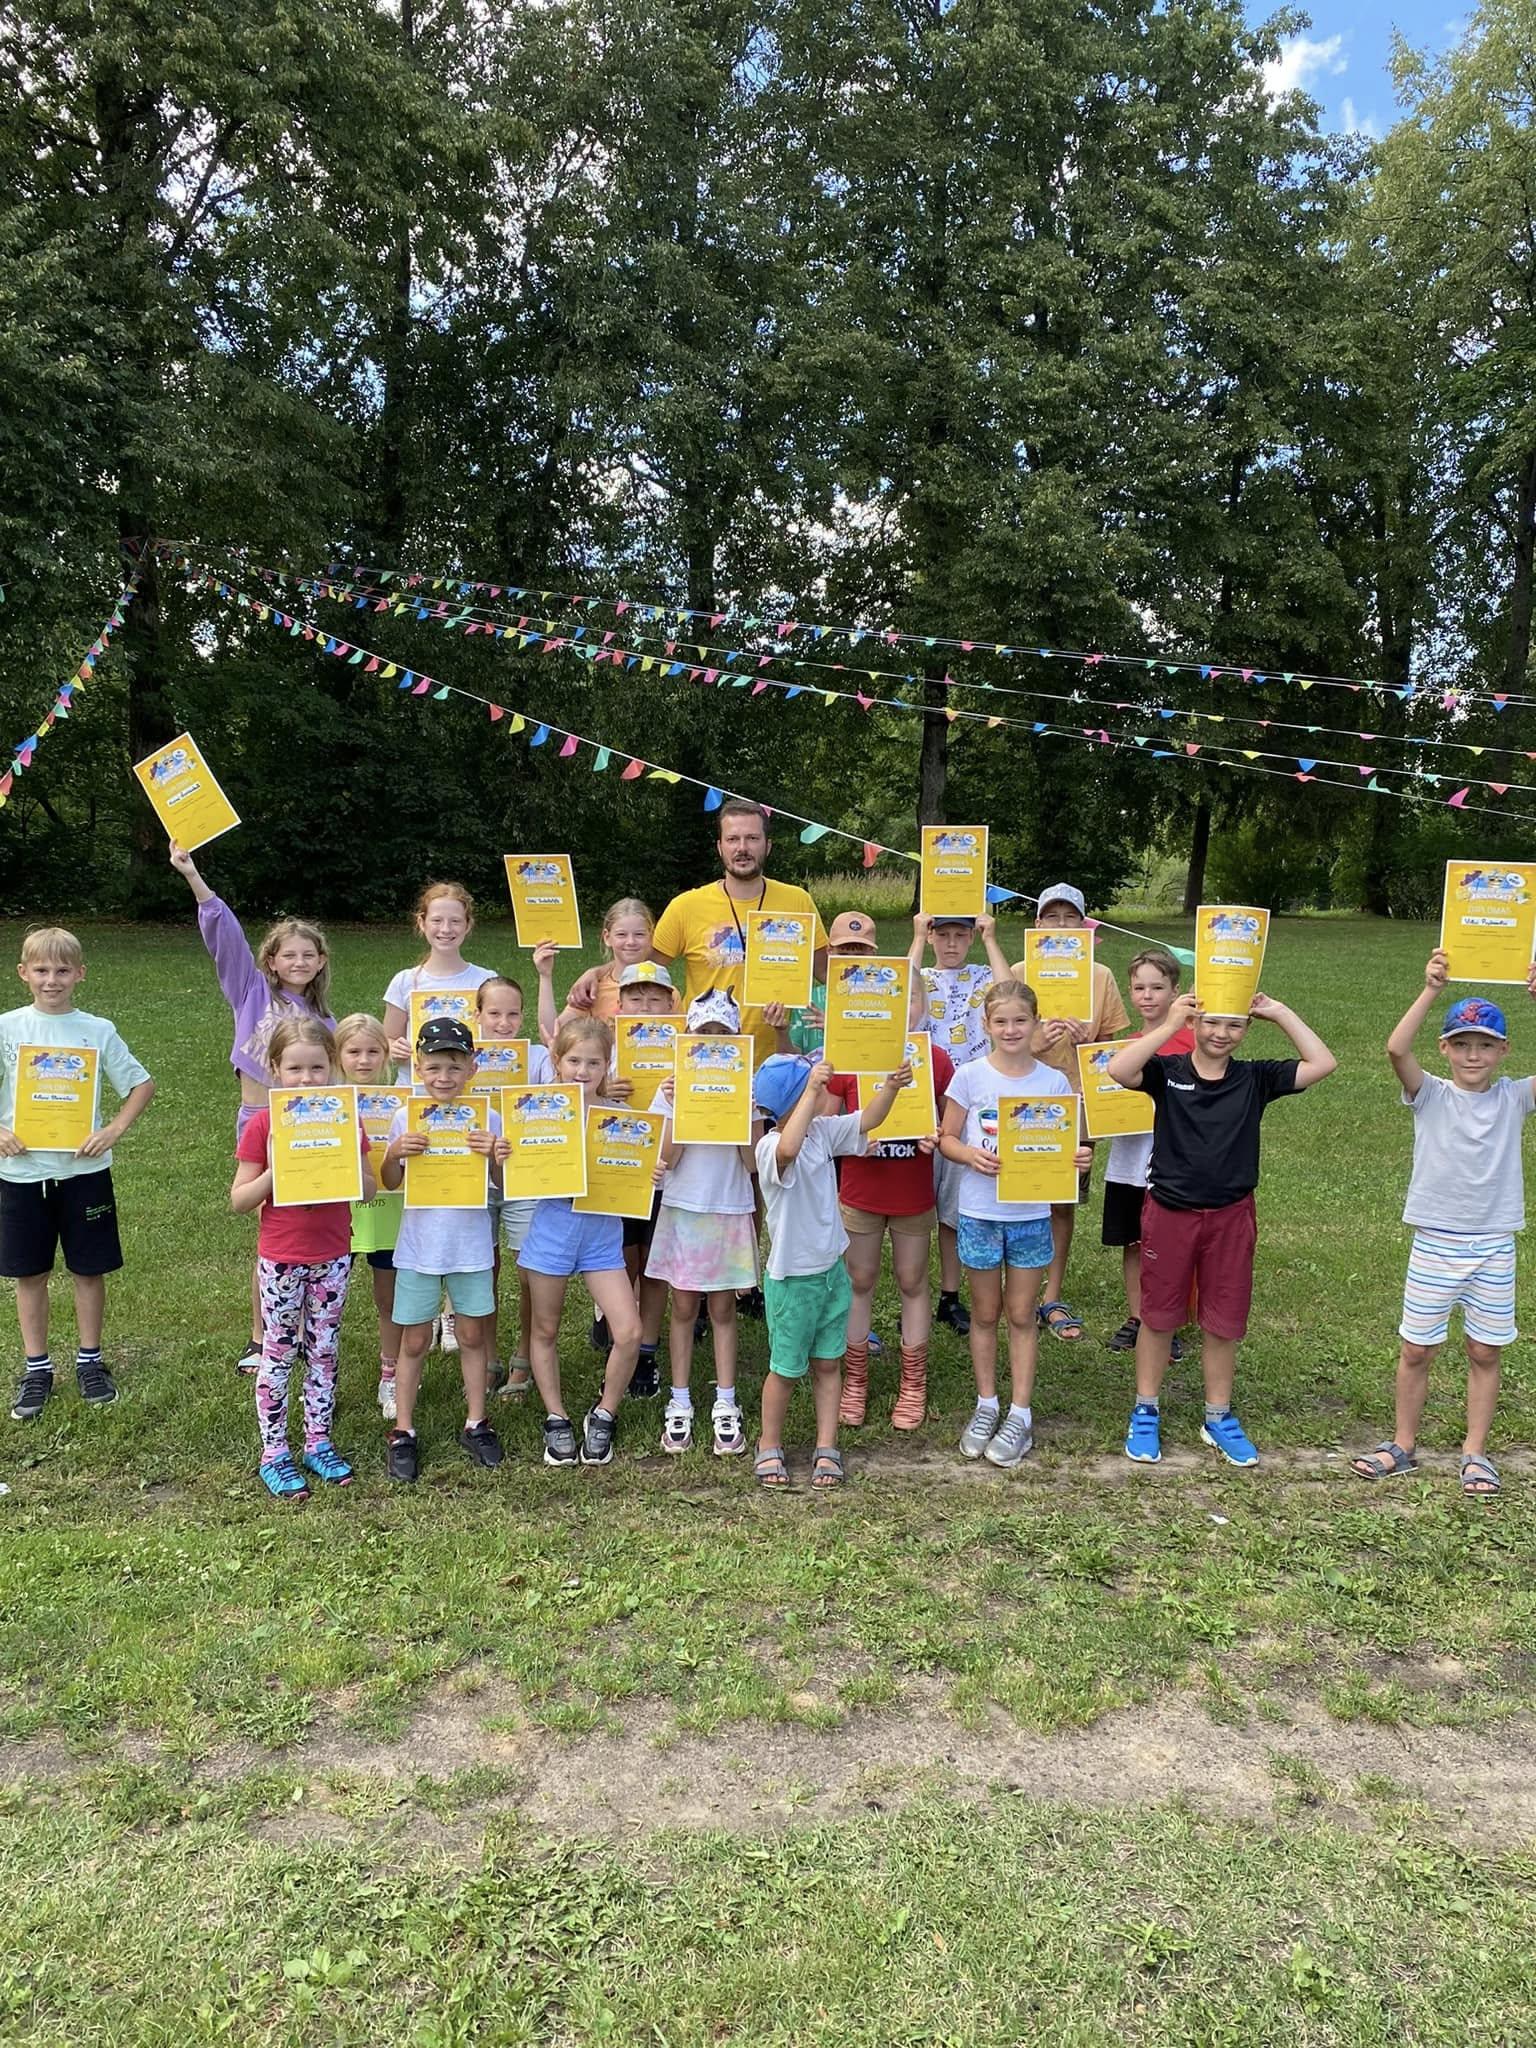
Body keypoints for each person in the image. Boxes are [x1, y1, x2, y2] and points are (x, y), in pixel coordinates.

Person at [1107, 987, 1336, 1466]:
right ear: (1195, 1023)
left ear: (1247, 1030)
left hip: (1231, 1215)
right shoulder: (1168, 1072)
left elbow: (1322, 1063)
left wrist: (1279, 1011)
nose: (1221, 1033)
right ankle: (1145, 1409)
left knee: (1223, 1320)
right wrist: (1170, 1024)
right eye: (1211, 1022)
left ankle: (1218, 1416)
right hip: (1170, 1212)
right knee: (1158, 1316)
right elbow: (1119, 1070)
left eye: (1234, 1025)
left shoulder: (1255, 1078)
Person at [1351, 955, 1536, 1498]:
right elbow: (1395, 1049)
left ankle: (1475, 1452)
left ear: (1503, 1050)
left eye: (1484, 1045)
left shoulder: (1514, 1097)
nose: (1473, 1054)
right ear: (1445, 1048)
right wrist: (1431, 988)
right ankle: (1402, 1444)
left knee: (1485, 1351)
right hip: (1435, 1243)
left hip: (1494, 1245)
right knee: (1417, 1350)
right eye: (1462, 1044)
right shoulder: (1429, 1092)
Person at [169, 842, 334, 1372]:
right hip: (259, 1123)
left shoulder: (325, 1022)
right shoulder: (250, 992)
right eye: (289, 954)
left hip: (312, 1131)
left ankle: (303, 1329)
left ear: (321, 962)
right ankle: (262, 1337)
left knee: (303, 1231)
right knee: (271, 1231)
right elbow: (225, 936)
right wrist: (193, 877)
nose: (298, 962)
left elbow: (340, 1077)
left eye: (308, 955)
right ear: (271, 960)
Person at [2, 927, 155, 1421]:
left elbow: (140, 1084)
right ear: (23, 973)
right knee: (30, 1272)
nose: (52, 980)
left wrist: (113, 1129)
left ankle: (90, 1360)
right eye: (41, 970)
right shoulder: (7, 1027)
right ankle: (37, 1367)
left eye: (62, 970)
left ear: (80, 974)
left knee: (88, 1268)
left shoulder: (97, 1030)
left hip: (84, 1172)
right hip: (21, 1173)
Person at [939, 980, 1088, 1468]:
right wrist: (970, 1156)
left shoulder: (1053, 1083)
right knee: (985, 1314)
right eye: (1001, 1021)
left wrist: (1078, 1160)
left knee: (1022, 1314)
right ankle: (987, 1404)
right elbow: (946, 1138)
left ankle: (1020, 1414)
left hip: (1030, 1216)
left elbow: (1066, 1147)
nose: (1011, 1029)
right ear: (986, 1025)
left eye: (1020, 1020)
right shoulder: (969, 1076)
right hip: (980, 1213)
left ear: (1036, 1023)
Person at [564, 800, 826, 1072]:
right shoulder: (686, 907)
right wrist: (597, 973)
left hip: (777, 1060)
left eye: (752, 838)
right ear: (720, 847)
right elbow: (643, 966)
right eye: (733, 839)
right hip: (705, 1060)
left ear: (768, 845)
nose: (742, 848)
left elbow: (828, 971)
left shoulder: (797, 902)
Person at [231, 1018, 374, 1499]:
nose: (307, 1078)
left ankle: (318, 1441)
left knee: (324, 1350)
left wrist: (348, 1166)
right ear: (275, 1069)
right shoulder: (264, 1124)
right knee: (279, 1351)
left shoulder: (345, 1119)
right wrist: (277, 1170)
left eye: (316, 1067)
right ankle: (274, 1451)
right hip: (282, 1257)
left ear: (331, 1067)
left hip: (332, 1254)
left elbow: (369, 1189)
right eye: (295, 1068)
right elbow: (239, 1199)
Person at [752, 1052, 907, 1490]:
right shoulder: (769, 1148)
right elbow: (788, 1148)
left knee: (827, 1364)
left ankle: (827, 1445)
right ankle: (769, 1443)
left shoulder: (821, 1132)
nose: (823, 1096)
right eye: (813, 1089)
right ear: (797, 1098)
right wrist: (811, 1091)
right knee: (785, 1369)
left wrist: (891, 1087)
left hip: (831, 1275)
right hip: (791, 1282)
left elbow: (867, 1120)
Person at [378, 1017, 509, 1482]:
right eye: (433, 1067)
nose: (444, 1077)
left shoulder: (488, 1118)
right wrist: (394, 1153)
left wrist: (496, 1157)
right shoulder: (405, 1116)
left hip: (471, 1245)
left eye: (455, 1067)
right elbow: (390, 1182)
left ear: (472, 1068)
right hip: (420, 1247)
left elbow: (503, 1186)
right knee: (414, 1339)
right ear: (418, 1068)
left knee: (472, 1335)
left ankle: (476, 1422)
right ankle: (403, 1429)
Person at [518, 1017, 645, 1467]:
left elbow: (635, 1174)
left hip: (601, 1239)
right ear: (557, 1061)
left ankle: (604, 1412)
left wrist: (648, 1173)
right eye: (574, 1060)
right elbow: (511, 1177)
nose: (583, 1070)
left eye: (593, 1062)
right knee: (545, 1330)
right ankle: (556, 1417)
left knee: (629, 1331)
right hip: (553, 1232)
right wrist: (503, 1157)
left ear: (607, 1064)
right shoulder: (536, 1111)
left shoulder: (620, 1116)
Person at [1008, 883, 1128, 1345]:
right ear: (1037, 924)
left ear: (1085, 925)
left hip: (1077, 1102)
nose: (1060, 925)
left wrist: (1088, 1042)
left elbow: (1113, 1049)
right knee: (1017, 1197)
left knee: (1061, 1202)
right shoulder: (1019, 973)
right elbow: (1002, 1039)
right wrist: (1035, 1043)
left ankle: (1052, 1295)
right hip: (1022, 1101)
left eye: (1069, 917)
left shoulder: (1100, 976)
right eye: (1052, 917)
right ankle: (1015, 1293)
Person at [380, 881, 497, 1354]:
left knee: (466, 1203)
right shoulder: (405, 981)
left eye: (455, 920)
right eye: (437, 920)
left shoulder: (484, 978)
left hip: (469, 1103)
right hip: (418, 1107)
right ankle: (424, 1305)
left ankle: (454, 1313)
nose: (445, 928)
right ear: (422, 924)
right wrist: (396, 1047)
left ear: (468, 925)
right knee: (426, 1206)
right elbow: (387, 1039)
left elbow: (500, 1036)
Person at [646, 990, 760, 1455]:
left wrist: (744, 1111)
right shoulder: (668, 1091)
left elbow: (752, 1163)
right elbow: (666, 1158)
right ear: (687, 1037)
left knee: (723, 1309)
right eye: (703, 1032)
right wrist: (677, 1105)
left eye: (722, 1033)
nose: (713, 1040)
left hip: (728, 1207)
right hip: (684, 1209)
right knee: (683, 1307)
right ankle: (680, 1400)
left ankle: (725, 1402)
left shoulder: (747, 1089)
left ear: (737, 1039)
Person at [828, 1037, 955, 1430]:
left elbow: (951, 1126)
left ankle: (913, 1383)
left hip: (911, 1192)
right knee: (858, 1279)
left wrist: (937, 1135)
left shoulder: (934, 1057)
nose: (902, 1012)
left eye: (910, 1005)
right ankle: (855, 1379)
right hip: (861, 1190)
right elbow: (823, 1126)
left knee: (912, 1280)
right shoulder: (849, 1056)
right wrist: (850, 1140)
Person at [913, 910, 1012, 1339]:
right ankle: (914, 1294)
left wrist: (991, 939)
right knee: (917, 1211)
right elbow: (899, 995)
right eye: (943, 935)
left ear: (971, 938)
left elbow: (1009, 992)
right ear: (932, 936)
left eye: (961, 935)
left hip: (967, 1108)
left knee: (952, 1211)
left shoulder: (981, 977)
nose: (951, 943)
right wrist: (917, 938)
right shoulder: (924, 977)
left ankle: (949, 1296)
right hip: (920, 1102)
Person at [592, 960, 682, 1390]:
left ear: (671, 1004)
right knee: (623, 1261)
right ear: (619, 1005)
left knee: (654, 1266)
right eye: (635, 998)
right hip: (619, 1169)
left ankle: (645, 1350)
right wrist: (602, 1090)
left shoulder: (686, 1051)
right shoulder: (604, 1052)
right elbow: (573, 1094)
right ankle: (619, 1335)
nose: (645, 1006)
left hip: (667, 1172)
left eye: (654, 998)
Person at [1101, 950, 1195, 1356]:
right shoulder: (1123, 1050)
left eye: (1158, 987)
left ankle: (1167, 1320)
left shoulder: (1193, 1042)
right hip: (1129, 1161)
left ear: (1176, 991)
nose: (1148, 995)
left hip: (1175, 1162)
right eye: (1139, 988)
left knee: (1171, 1245)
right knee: (1135, 1241)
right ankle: (1138, 1316)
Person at [473, 959, 559, 1396]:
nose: (503, 1023)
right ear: (477, 1015)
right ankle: (487, 1358)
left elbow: (558, 1098)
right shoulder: (462, 1057)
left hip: (525, 1177)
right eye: (494, 1013)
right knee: (482, 1270)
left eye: (512, 1014)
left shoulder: (537, 1057)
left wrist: (555, 1054)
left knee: (529, 1272)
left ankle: (524, 1356)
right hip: (473, 1177)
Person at [334, 1013, 404, 1420]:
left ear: (386, 1054)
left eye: (373, 1051)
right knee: (326, 1303)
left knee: (388, 1299)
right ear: (337, 1054)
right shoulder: (322, 1106)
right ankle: (321, 1378)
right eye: (354, 1051)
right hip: (336, 1217)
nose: (363, 1060)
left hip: (389, 1212)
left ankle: (390, 1375)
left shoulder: (402, 1103)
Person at [558, 897, 656, 1025]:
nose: (631, 942)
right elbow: (553, 1031)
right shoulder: (593, 990)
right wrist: (545, 976)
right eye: (621, 934)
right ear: (607, 937)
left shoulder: (665, 990)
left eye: (639, 934)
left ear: (651, 937)